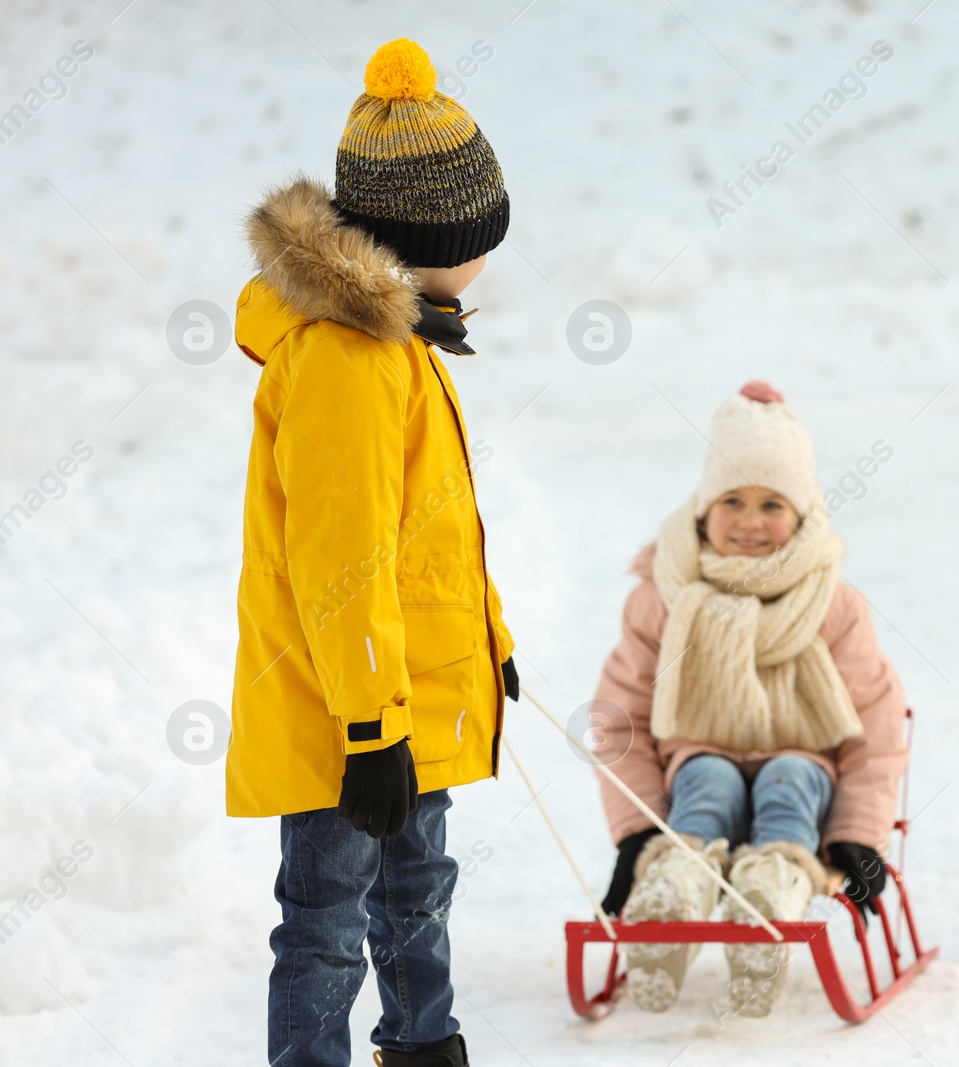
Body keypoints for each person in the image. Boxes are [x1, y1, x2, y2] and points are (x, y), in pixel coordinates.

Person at [225, 38, 517, 1067]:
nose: (489, 256)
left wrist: (494, 639)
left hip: (405, 695)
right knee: (326, 918)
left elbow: (429, 536)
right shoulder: (348, 363)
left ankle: (423, 1043)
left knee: (415, 893)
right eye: (482, 235)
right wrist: (367, 726)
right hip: (344, 713)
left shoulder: (399, 338)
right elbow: (340, 556)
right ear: (428, 233)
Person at [589, 380, 908, 1017]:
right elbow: (621, 721)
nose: (753, 521)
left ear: (803, 514)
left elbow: (876, 729)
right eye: (733, 499)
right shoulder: (662, 598)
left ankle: (771, 894)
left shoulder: (833, 605)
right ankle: (672, 890)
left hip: (804, 783)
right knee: (706, 777)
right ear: (704, 511)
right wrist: (634, 836)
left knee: (789, 775)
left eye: (773, 503)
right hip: (696, 780)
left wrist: (858, 838)